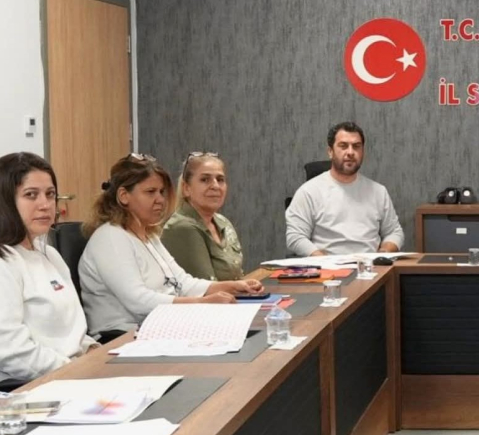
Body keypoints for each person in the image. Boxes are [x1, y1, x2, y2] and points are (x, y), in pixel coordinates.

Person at [79, 154, 262, 337]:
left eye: (161, 192)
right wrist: (202, 303)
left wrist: (233, 286)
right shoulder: (110, 237)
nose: (160, 199)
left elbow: (182, 282)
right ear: (124, 196)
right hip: (122, 336)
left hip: (160, 325)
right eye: (150, 192)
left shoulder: (149, 235)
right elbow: (138, 301)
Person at [0, 152, 95, 382]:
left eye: (50, 194)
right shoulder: (5, 262)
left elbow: (72, 331)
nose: (45, 205)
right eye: (31, 195)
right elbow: (12, 352)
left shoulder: (49, 254)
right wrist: (74, 370)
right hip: (31, 384)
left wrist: (94, 352)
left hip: (70, 372)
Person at [285, 122, 404, 256]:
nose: (350, 152)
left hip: (370, 266)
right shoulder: (309, 192)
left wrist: (384, 253)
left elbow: (394, 232)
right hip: (327, 266)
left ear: (363, 152)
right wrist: (319, 258)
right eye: (343, 146)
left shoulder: (379, 192)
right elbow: (295, 236)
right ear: (330, 152)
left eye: (356, 146)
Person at [163, 152, 245, 281]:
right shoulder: (182, 228)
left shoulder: (223, 222)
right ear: (186, 188)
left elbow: (237, 276)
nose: (215, 186)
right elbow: (207, 287)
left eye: (220, 180)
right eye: (205, 180)